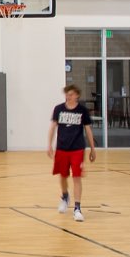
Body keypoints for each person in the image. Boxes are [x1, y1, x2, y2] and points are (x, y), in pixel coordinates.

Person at [48, 84, 97, 221]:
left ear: (77, 95)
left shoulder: (82, 111)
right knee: (63, 176)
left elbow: (88, 130)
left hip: (77, 148)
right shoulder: (59, 109)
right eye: (66, 94)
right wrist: (49, 145)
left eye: (70, 94)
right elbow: (52, 128)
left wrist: (92, 149)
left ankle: (77, 208)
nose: (68, 97)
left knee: (77, 177)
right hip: (62, 148)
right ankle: (65, 196)